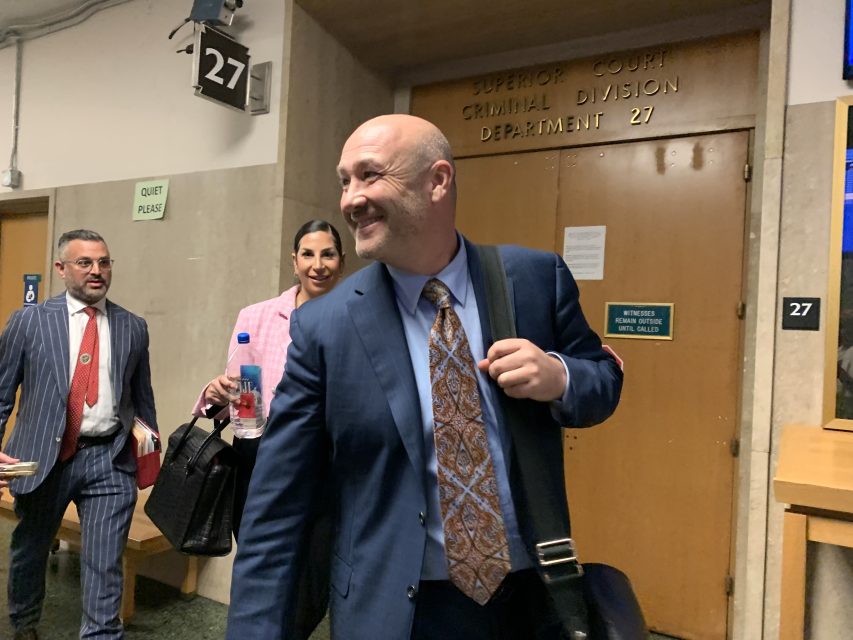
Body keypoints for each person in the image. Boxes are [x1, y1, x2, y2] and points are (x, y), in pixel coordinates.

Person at [225, 115, 623, 640]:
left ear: (437, 181)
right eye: (345, 181)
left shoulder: (532, 280)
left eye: (369, 175)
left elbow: (602, 381)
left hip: (533, 599)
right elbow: (278, 502)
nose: (350, 199)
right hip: (398, 610)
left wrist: (560, 377)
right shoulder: (326, 325)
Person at [0, 229, 157, 640]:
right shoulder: (29, 322)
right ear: (61, 269)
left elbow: (142, 400)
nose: (96, 271)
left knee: (104, 562)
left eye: (104, 262)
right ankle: (24, 622)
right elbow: (1, 394)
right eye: (85, 263)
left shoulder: (133, 327)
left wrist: (148, 455)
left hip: (108, 459)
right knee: (30, 550)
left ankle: (101, 633)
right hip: (41, 459)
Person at [193, 218, 344, 638]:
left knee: (314, 578)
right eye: (308, 254)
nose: (318, 265)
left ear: (341, 261)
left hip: (327, 464)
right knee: (264, 569)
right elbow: (237, 388)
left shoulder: (354, 316)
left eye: (327, 254)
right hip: (258, 460)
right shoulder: (257, 316)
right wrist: (216, 391)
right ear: (293, 261)